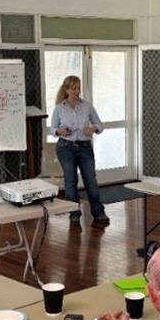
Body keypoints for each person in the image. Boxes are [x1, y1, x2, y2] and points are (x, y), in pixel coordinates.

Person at [50, 75, 109, 225]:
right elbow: (52, 129)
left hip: (84, 147)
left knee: (90, 180)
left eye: (79, 87)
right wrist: (59, 131)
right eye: (74, 88)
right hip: (66, 147)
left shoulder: (87, 106)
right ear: (66, 89)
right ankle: (74, 213)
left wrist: (93, 128)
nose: (77, 91)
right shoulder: (59, 108)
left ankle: (98, 212)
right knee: (71, 181)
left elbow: (100, 125)